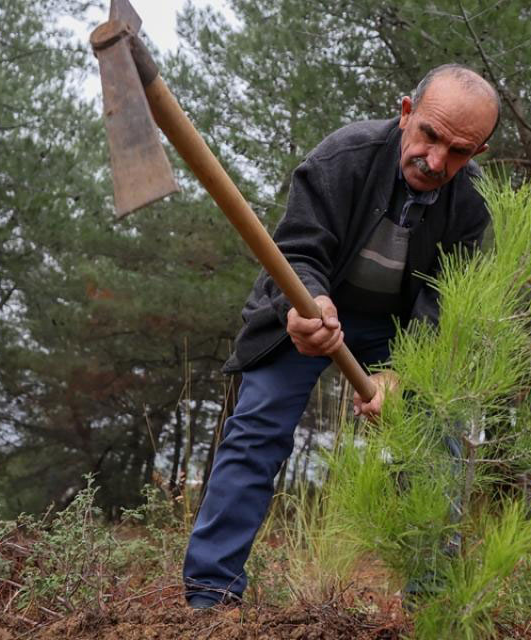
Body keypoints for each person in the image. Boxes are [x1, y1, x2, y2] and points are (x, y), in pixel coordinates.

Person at [182, 64, 501, 610]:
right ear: (406, 113)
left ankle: (431, 603)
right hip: (308, 307)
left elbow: (446, 302)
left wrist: (404, 373)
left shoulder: (472, 206)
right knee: (257, 427)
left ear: (478, 152)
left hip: (403, 331)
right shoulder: (343, 157)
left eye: (459, 151)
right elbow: (297, 251)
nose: (435, 161)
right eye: (429, 135)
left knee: (437, 436)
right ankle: (211, 595)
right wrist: (308, 303)